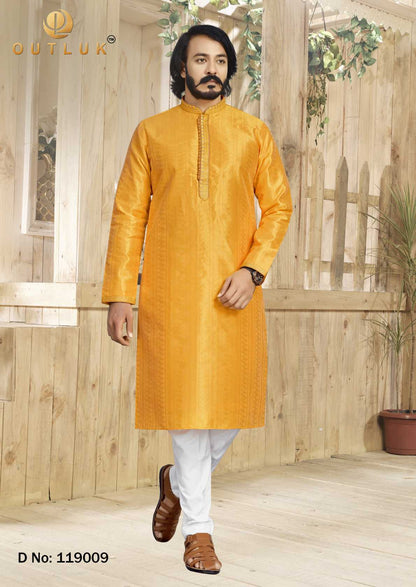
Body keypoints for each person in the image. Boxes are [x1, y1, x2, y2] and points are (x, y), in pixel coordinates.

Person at [101, 24, 292, 575]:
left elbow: (278, 207)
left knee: (230, 409)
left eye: (220, 60)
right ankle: (199, 533)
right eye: (200, 59)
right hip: (172, 292)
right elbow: (128, 216)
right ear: (182, 68)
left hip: (234, 293)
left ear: (229, 69)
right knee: (186, 411)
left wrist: (253, 270)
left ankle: (177, 484)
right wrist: (120, 295)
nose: (212, 69)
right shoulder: (152, 133)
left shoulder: (253, 133)